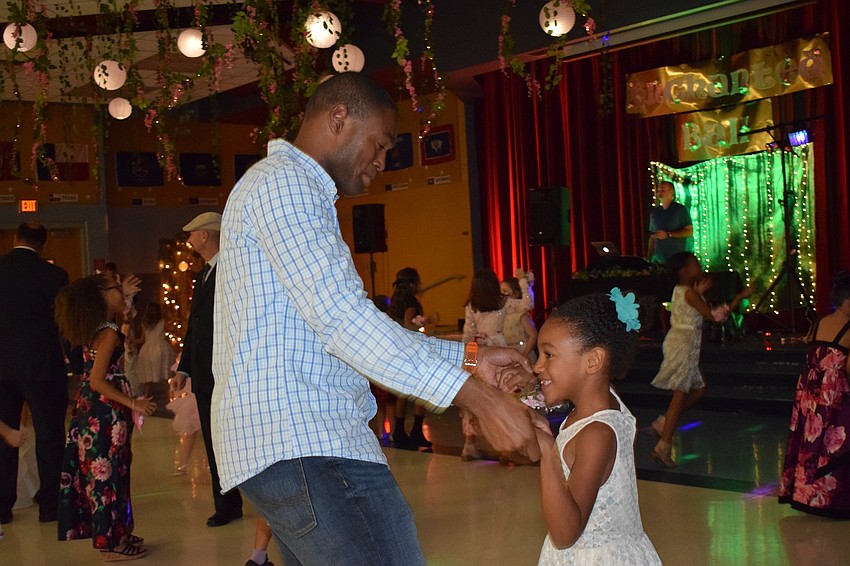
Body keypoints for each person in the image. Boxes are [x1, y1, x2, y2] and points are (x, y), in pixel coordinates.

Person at [212, 72, 542, 565]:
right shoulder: (286, 185)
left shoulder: (289, 191)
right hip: (308, 443)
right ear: (339, 119)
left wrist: (476, 358)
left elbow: (354, 330)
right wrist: (477, 398)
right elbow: (346, 323)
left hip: (297, 445)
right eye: (381, 144)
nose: (383, 162)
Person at [532, 290, 661, 564]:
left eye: (548, 355)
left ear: (593, 361)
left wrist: (547, 452)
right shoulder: (603, 402)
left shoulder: (596, 435)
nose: (537, 366)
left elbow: (565, 533)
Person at [54, 274, 156, 561]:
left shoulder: (102, 327)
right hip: (104, 411)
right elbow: (98, 380)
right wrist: (133, 402)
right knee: (106, 476)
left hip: (98, 410)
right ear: (101, 295)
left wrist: (126, 301)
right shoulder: (107, 331)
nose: (121, 290)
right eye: (115, 288)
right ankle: (109, 541)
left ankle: (117, 531)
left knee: (113, 471)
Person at [650, 252, 753, 467]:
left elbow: (691, 309)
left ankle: (664, 422)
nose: (699, 266)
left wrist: (700, 292)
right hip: (684, 344)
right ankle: (664, 445)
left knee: (699, 389)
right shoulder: (689, 293)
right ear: (684, 270)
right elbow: (713, 316)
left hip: (684, 342)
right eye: (694, 264)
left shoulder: (685, 291)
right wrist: (738, 298)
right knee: (681, 392)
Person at [173, 211, 243, 527]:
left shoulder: (232, 270)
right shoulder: (203, 273)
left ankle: (233, 502)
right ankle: (226, 503)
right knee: (215, 442)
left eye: (192, 233)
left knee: (231, 439)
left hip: (225, 373)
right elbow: (195, 326)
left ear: (205, 235)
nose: (188, 239)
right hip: (205, 374)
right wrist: (184, 368)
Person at [0, 221, 69, 525]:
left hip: (1, 367)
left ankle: (2, 507)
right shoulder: (54, 275)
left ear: (15, 239)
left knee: (4, 436)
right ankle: (50, 506)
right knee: (50, 435)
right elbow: (64, 326)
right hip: (43, 367)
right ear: (44, 244)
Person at [779, 275, 850, 518]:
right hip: (833, 395)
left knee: (809, 444)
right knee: (835, 445)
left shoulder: (820, 322)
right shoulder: (849, 329)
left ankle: (805, 495)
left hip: (810, 391)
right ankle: (830, 500)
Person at [460, 267, 533, 460]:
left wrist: (466, 360)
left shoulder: (471, 306)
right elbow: (527, 303)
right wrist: (524, 282)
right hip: (496, 350)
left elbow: (467, 335)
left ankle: (469, 446)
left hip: (476, 350)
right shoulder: (503, 302)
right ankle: (505, 450)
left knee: (473, 398)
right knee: (502, 395)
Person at [386, 268, 438, 450]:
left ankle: (400, 431)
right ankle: (415, 431)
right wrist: (428, 321)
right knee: (419, 392)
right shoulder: (410, 301)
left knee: (402, 393)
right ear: (412, 283)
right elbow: (409, 325)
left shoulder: (395, 301)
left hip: (398, 349)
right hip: (411, 349)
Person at [133, 302, 175, 400]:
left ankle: (146, 397)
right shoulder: (162, 322)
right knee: (165, 374)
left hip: (148, 350)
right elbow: (170, 329)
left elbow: (142, 340)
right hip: (161, 348)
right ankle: (169, 395)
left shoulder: (145, 324)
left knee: (148, 377)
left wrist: (131, 341)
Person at [647, 180, 693, 265]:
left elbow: (689, 232)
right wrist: (649, 258)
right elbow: (652, 237)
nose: (660, 192)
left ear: (671, 192)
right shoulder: (655, 212)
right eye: (658, 190)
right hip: (658, 260)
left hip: (677, 259)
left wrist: (668, 234)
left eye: (663, 190)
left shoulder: (680, 210)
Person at [501, 271, 538, 362]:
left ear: (515, 293)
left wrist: (524, 354)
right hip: (510, 353)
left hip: (523, 351)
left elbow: (533, 335)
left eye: (505, 291)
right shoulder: (502, 314)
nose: (502, 295)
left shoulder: (521, 314)